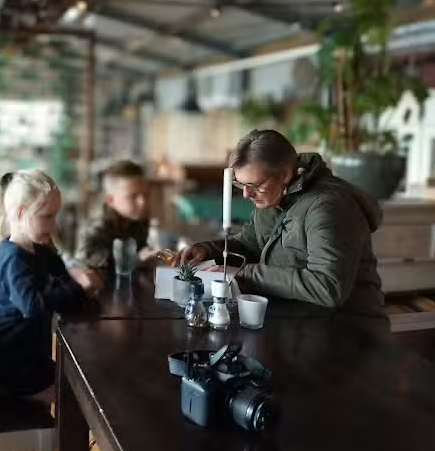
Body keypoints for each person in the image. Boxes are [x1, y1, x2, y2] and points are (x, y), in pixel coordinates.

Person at [178, 129, 384, 315]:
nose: (246, 194)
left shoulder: (328, 206)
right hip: (298, 318)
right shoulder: (273, 197)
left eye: (254, 185)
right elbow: (250, 245)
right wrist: (208, 250)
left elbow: (328, 287)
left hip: (346, 326)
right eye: (240, 185)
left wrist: (244, 274)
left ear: (284, 174)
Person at [0, 169, 100, 401]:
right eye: (47, 217)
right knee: (71, 395)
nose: (54, 225)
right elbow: (33, 307)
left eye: (55, 216)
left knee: (76, 382)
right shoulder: (13, 259)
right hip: (2, 356)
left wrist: (79, 288)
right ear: (19, 212)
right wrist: (78, 288)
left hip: (26, 351)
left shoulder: (40, 250)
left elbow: (63, 280)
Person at [72, 160, 158, 279]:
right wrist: (135, 261)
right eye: (133, 196)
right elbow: (90, 269)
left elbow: (141, 251)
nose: (142, 202)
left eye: (146, 194)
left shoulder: (137, 218)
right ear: (110, 200)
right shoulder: (97, 226)